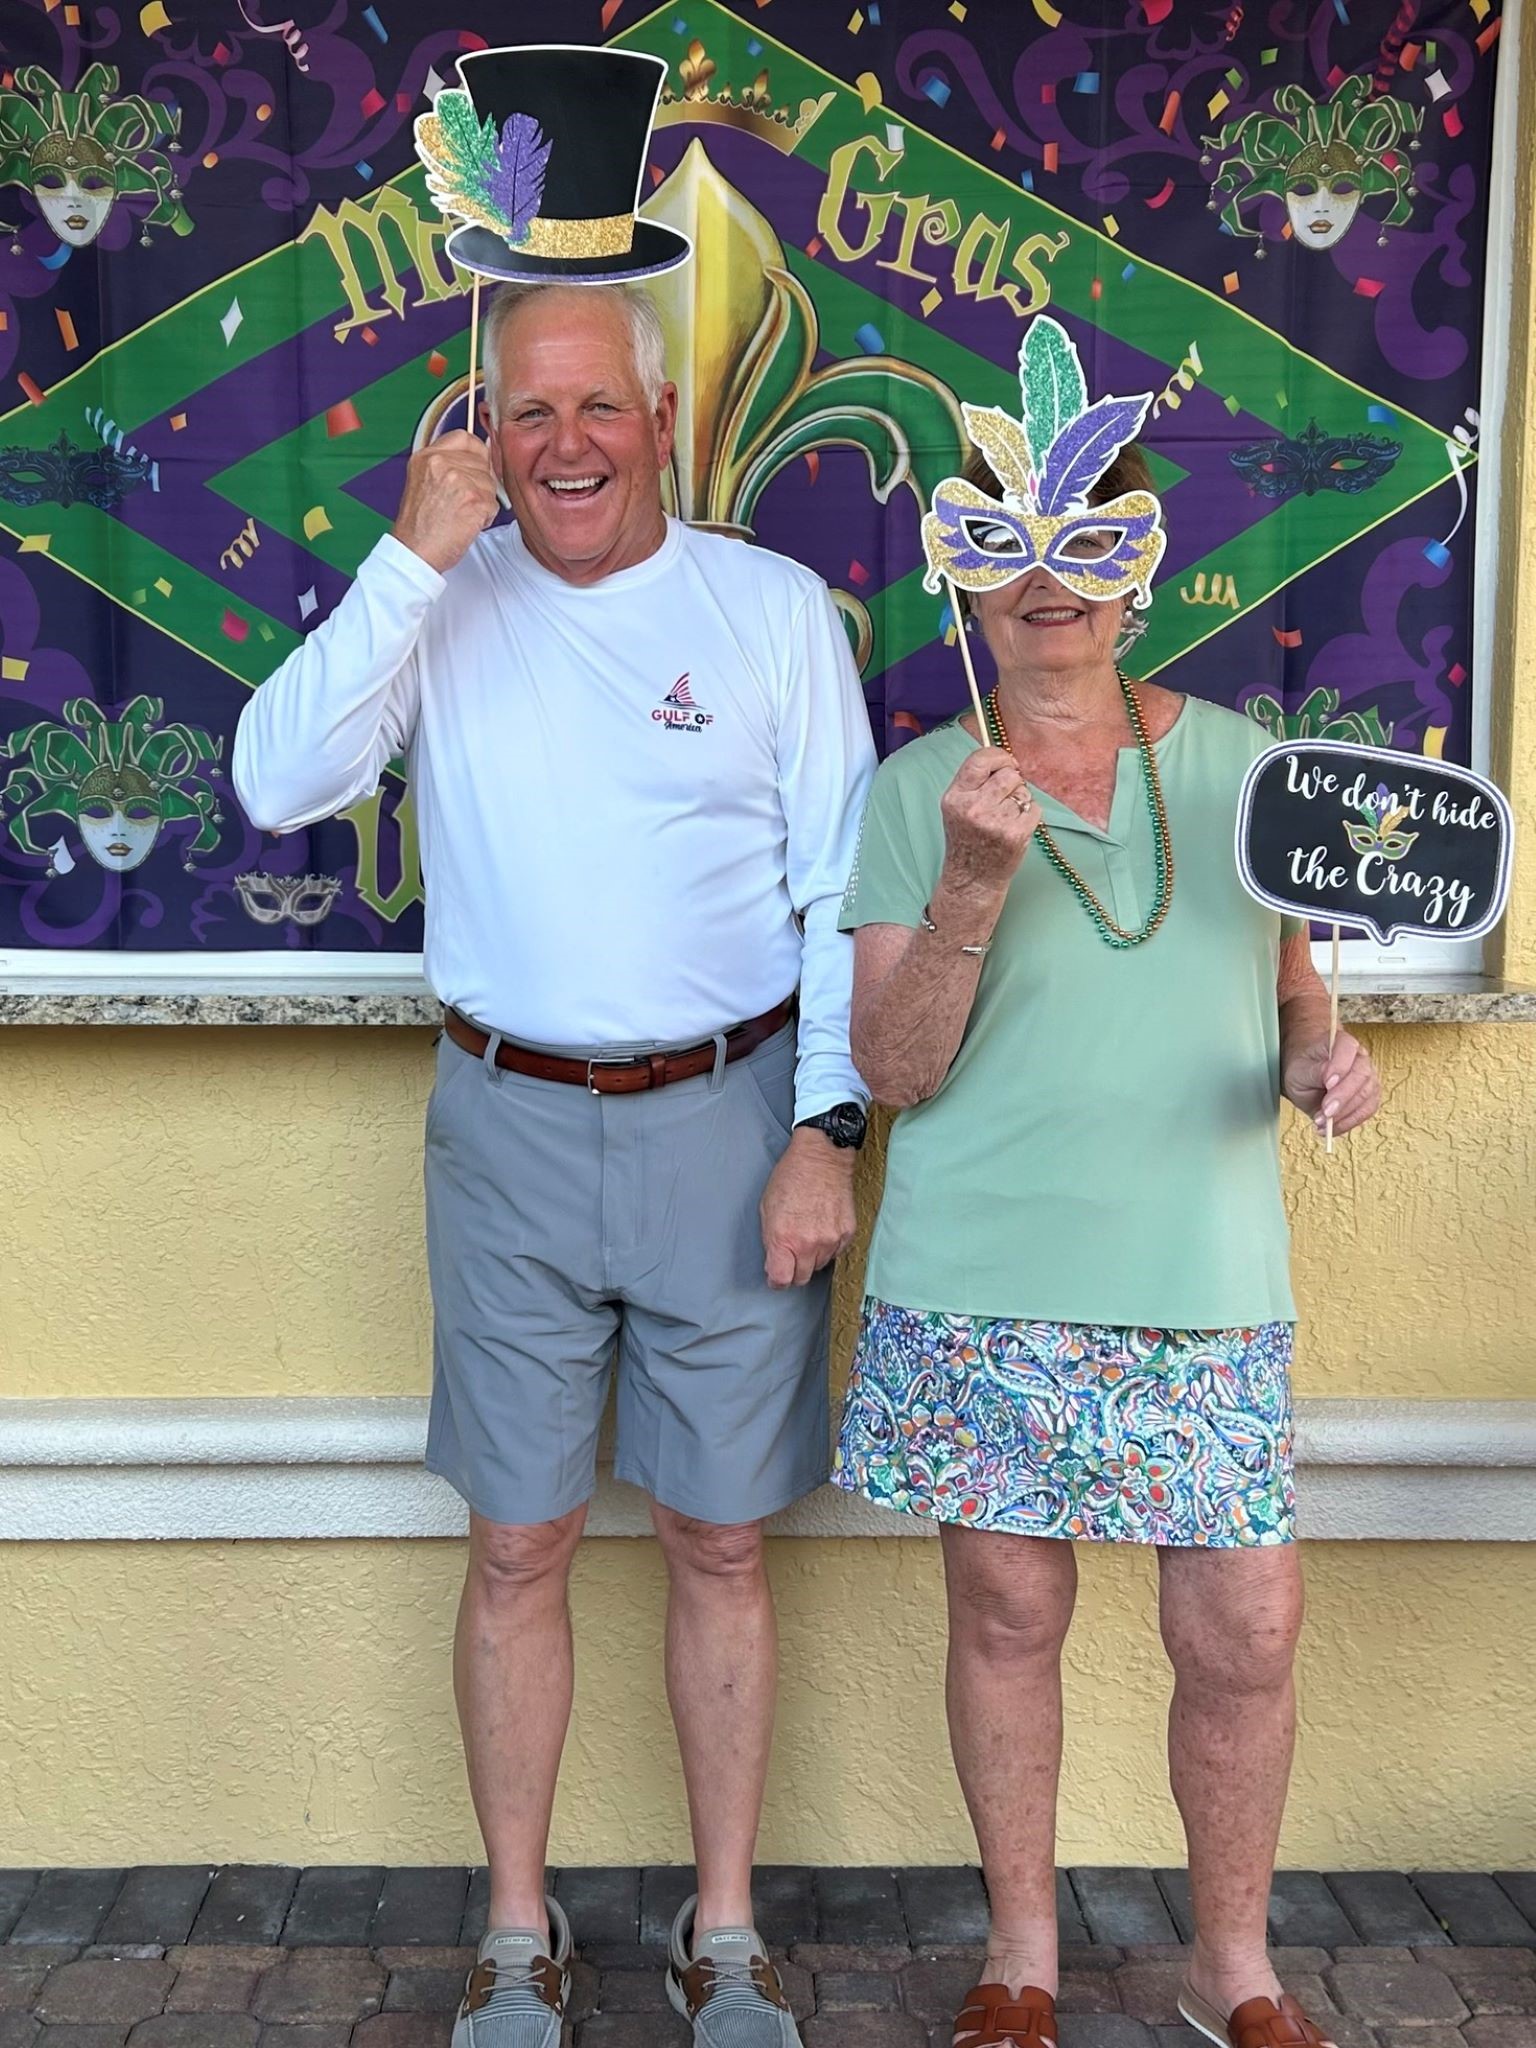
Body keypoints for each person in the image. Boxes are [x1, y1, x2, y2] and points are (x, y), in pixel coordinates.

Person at [233, 272, 874, 2048]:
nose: (565, 443)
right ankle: (517, 1936)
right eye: (528, 410)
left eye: (599, 406)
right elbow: (275, 785)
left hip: (733, 1117)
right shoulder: (436, 598)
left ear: (661, 419)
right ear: (481, 430)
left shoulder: (768, 608)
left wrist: (827, 1132)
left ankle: (722, 1932)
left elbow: (842, 892)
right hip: (505, 1120)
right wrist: (407, 561)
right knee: (518, 1545)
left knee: (718, 1541)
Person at [834, 339, 1380, 2048]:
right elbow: (893, 1068)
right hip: (981, 1272)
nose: (1049, 586)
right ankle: (1023, 1961)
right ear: (965, 583)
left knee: (1247, 1631)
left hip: (1200, 1273)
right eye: (1008, 550)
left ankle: (1237, 1969)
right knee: (1008, 1615)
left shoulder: (1249, 769)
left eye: (1088, 546)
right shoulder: (917, 793)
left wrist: (1326, 1062)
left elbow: (1297, 1006)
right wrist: (972, 883)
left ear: (1139, 575)